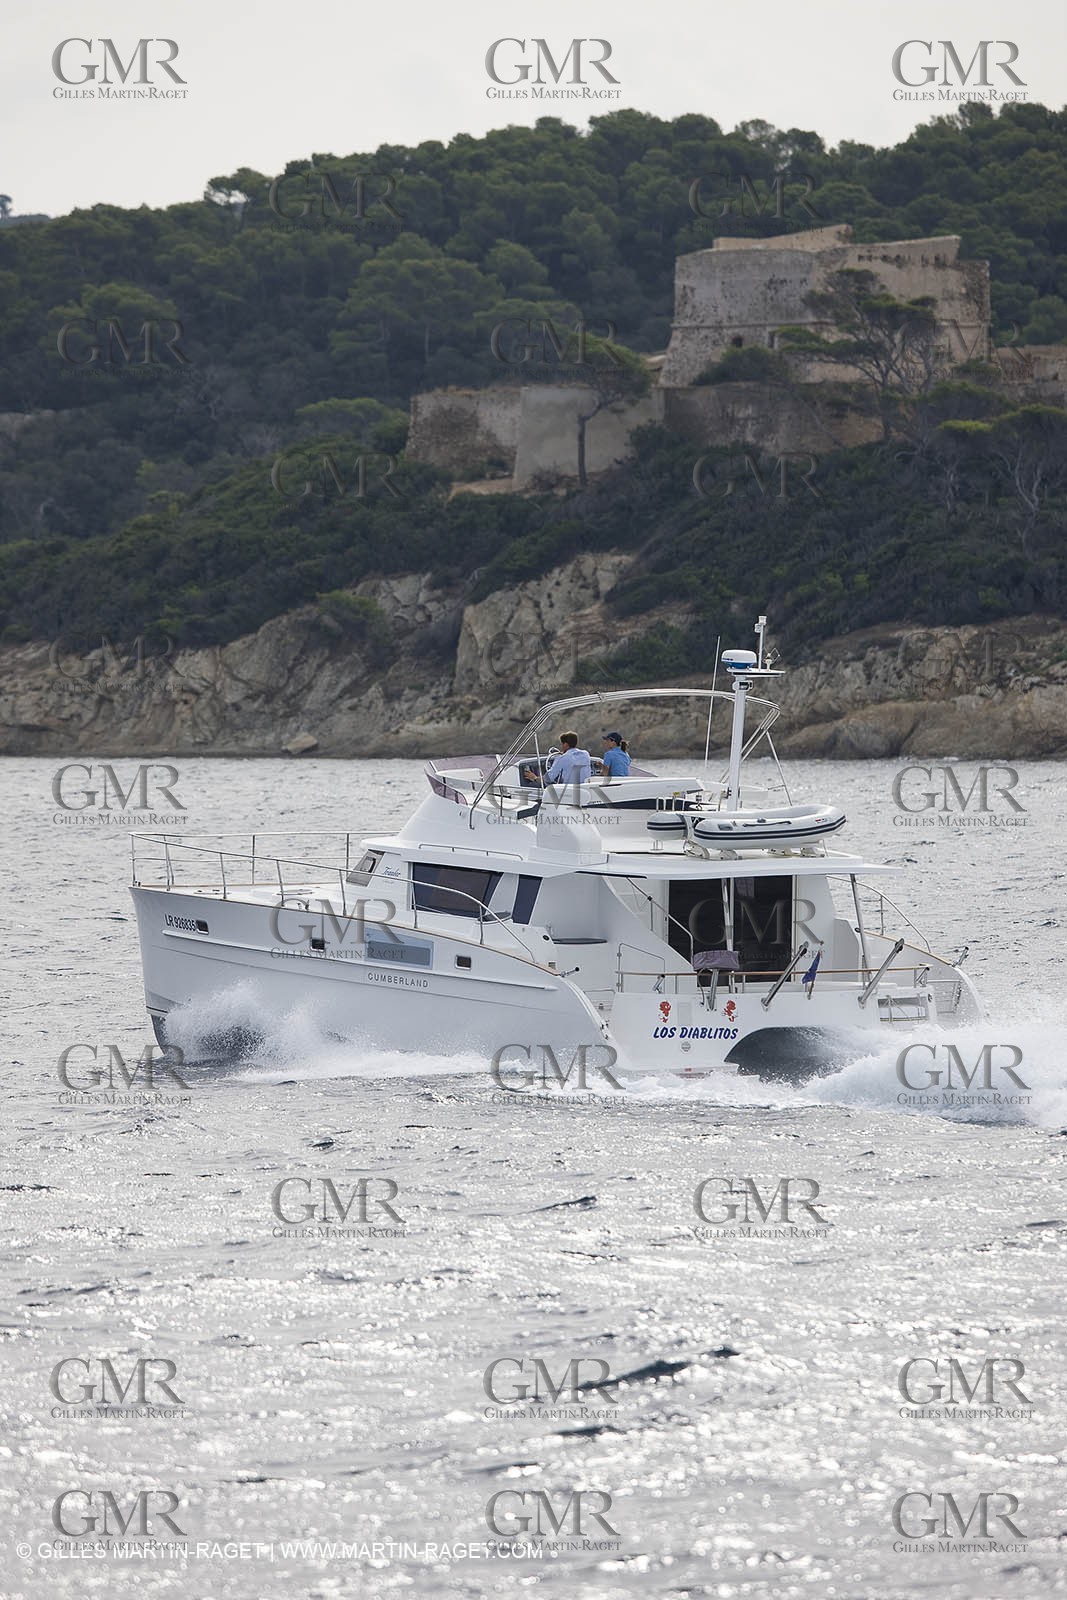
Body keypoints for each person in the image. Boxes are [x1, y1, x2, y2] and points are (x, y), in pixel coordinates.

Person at [523, 731, 591, 788]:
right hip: (585, 789)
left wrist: (535, 778)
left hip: (571, 792)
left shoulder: (562, 758)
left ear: (565, 744)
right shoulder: (586, 754)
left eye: (562, 744)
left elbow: (549, 778)